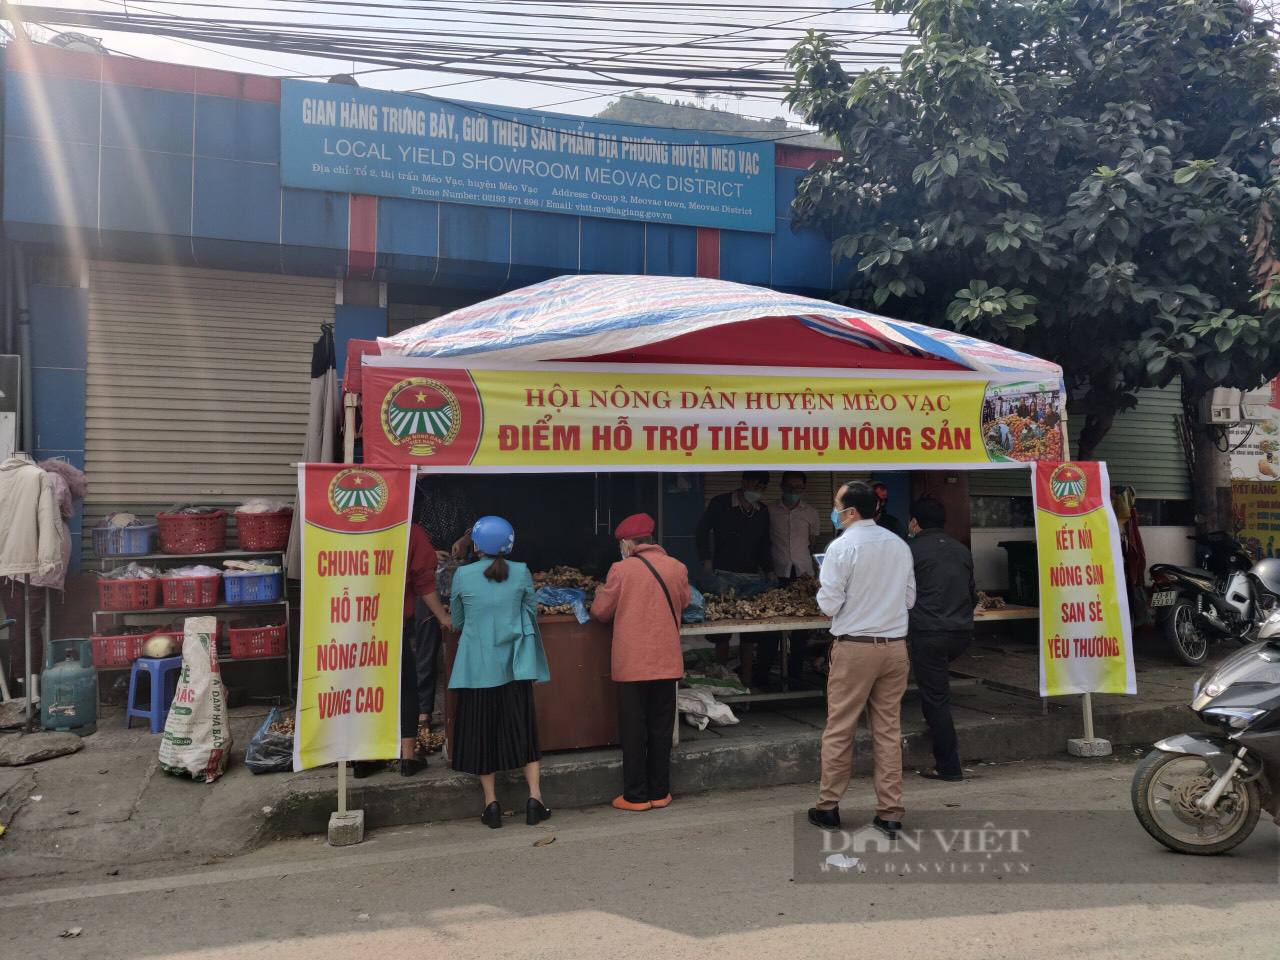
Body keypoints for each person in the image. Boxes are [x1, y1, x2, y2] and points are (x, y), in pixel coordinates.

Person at [808, 481, 915, 839]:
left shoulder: (841, 547)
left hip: (854, 648)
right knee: (888, 731)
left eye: (836, 504)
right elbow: (910, 599)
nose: (834, 510)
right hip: (895, 647)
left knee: (840, 728)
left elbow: (828, 604)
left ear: (850, 512)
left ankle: (828, 808)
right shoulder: (899, 545)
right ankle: (890, 814)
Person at [448, 516, 551, 829]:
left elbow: (458, 618)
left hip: (476, 670)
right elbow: (530, 612)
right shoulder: (520, 572)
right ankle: (535, 799)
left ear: (477, 545)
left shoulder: (463, 575)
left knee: (482, 735)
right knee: (524, 732)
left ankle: (491, 804)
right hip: (514, 667)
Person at [591, 513, 691, 812]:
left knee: (634, 730)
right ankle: (660, 792)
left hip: (632, 663)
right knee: (661, 728)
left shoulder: (621, 570)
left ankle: (635, 796)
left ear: (627, 543)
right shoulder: (676, 567)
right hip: (666, 661)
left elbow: (600, 612)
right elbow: (684, 602)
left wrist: (599, 593)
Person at [353, 523, 452, 779]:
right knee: (405, 685)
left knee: (361, 686)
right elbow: (425, 582)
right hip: (389, 623)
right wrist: (442, 616)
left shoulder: (347, 528)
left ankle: (363, 757)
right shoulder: (410, 531)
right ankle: (408, 756)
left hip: (347, 620)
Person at [906, 498, 976, 783]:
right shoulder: (961, 549)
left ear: (914, 522)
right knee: (937, 692)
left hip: (929, 633)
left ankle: (948, 766)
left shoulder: (910, 550)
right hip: (961, 633)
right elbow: (972, 595)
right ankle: (935, 725)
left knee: (936, 699)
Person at [695, 470, 776, 684]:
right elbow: (701, 531)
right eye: (756, 486)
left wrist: (769, 569)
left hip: (751, 577)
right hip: (723, 575)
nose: (759, 492)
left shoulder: (762, 510)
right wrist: (706, 559)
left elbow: (764, 545)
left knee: (749, 632)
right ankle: (722, 677)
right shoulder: (720, 503)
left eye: (763, 488)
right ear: (744, 482)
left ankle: (746, 679)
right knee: (723, 630)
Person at [412, 475, 477, 733]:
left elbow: (475, 525)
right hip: (424, 578)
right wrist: (428, 553)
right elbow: (400, 536)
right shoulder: (410, 498)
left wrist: (465, 541)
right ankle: (423, 711)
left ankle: (464, 706)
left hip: (458, 575)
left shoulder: (454, 493)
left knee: (461, 639)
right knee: (426, 647)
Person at [757, 471, 821, 683]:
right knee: (771, 626)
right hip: (776, 574)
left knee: (801, 628)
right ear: (781, 486)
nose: (793, 491)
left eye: (798, 488)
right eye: (789, 487)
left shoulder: (811, 512)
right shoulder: (769, 510)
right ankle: (763, 674)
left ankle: (795, 674)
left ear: (804, 488)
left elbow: (811, 543)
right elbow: (763, 541)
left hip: (802, 574)